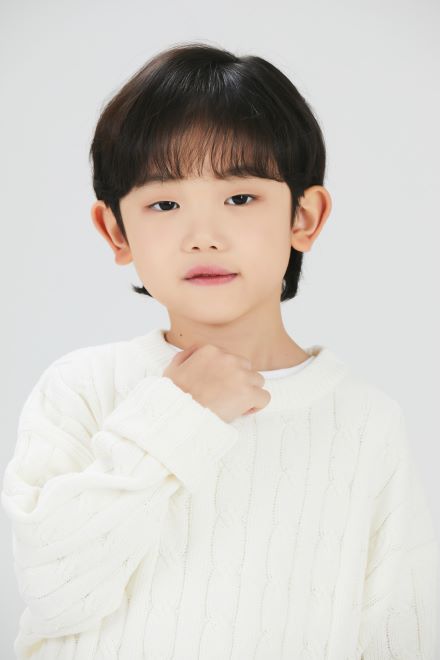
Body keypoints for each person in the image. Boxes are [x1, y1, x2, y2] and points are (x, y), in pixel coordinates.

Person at [2, 41, 438, 659]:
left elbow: (400, 634)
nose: (203, 237)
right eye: (164, 204)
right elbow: (54, 591)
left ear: (305, 217)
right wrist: (176, 414)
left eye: (239, 198)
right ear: (116, 231)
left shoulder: (365, 422)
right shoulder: (83, 387)